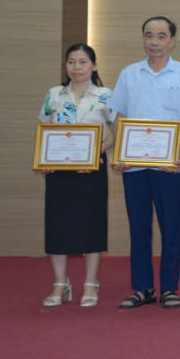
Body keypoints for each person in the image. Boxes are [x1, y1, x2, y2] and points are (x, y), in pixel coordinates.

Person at [111, 16, 180, 310]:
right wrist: (119, 154)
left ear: (172, 41)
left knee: (171, 227)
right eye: (149, 35)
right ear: (143, 39)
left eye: (161, 36)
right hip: (134, 165)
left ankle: (169, 288)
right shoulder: (129, 74)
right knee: (138, 228)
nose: (154, 41)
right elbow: (120, 116)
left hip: (171, 165)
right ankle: (143, 288)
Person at [38, 43, 115, 308]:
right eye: (71, 62)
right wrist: (44, 160)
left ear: (94, 65)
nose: (76, 67)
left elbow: (117, 132)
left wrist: (95, 154)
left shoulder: (105, 95)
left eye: (83, 62)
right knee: (57, 225)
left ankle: (91, 283)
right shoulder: (54, 94)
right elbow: (44, 129)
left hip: (92, 169)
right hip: (59, 170)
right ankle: (61, 283)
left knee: (92, 224)